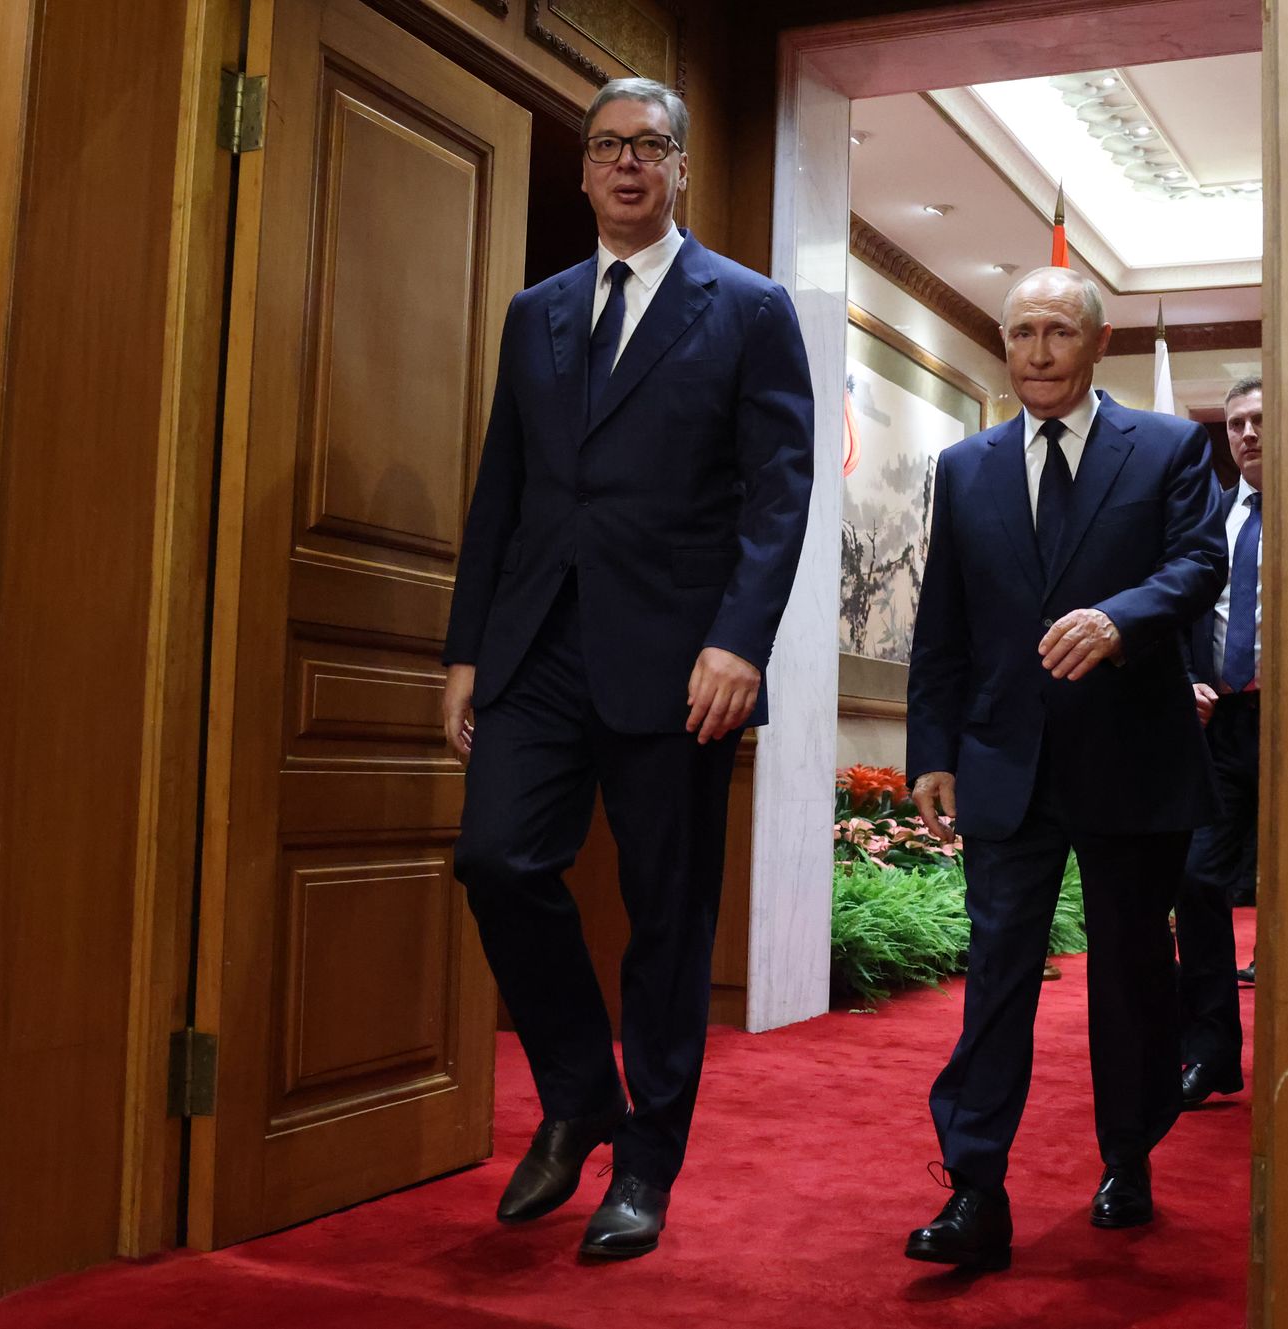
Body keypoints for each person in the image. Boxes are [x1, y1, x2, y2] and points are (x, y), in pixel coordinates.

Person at [440, 77, 813, 1260]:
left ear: (682, 167)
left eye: (649, 147)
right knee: (496, 857)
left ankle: (647, 1163)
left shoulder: (749, 308)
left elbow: (778, 492)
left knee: (666, 917)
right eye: (607, 148)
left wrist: (740, 640)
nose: (626, 165)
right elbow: (503, 486)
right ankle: (579, 1093)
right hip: (538, 642)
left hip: (681, 661)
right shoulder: (535, 310)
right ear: (587, 169)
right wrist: (465, 650)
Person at [902, 267, 1228, 1268]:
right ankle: (974, 1189)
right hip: (1005, 762)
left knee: (1132, 975)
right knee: (998, 974)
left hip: (1133, 758)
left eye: (1057, 331)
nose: (1037, 349)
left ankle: (1127, 1156)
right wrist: (932, 754)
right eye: (1022, 331)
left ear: (1097, 343)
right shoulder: (966, 467)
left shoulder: (1169, 446)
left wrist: (1120, 621)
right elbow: (943, 627)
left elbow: (1199, 563)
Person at [1177, 376, 1263, 1109]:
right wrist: (1185, 677)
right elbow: (1177, 603)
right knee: (1199, 879)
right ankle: (1209, 1051)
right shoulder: (1211, 515)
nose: (1248, 434)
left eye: (1263, 419)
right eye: (1236, 422)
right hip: (1219, 723)